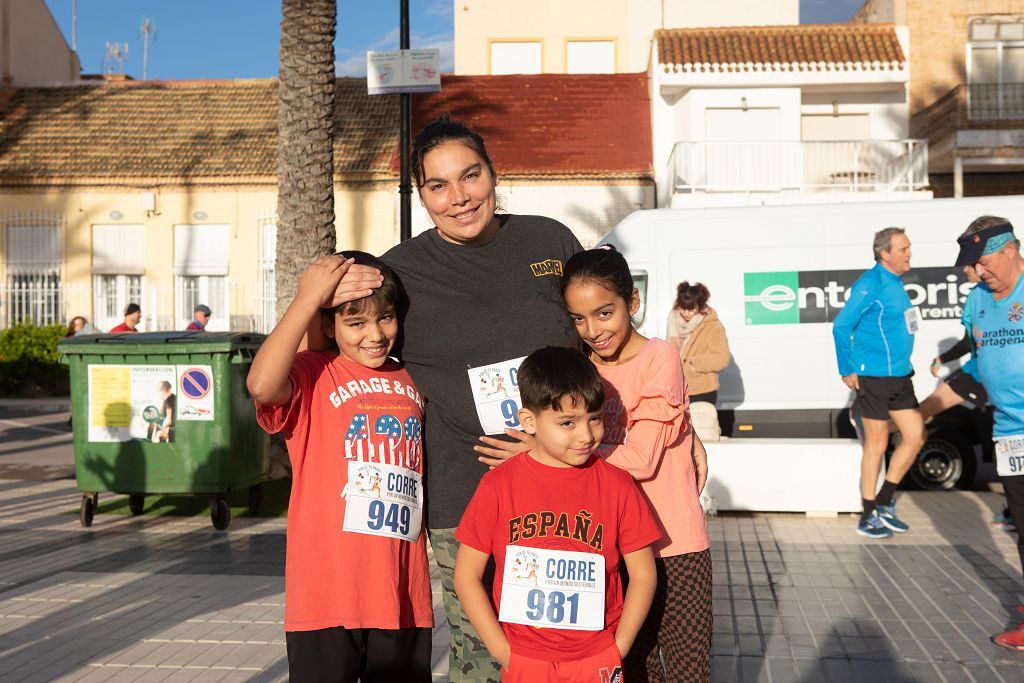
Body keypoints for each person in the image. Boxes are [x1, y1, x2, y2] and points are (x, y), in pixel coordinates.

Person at [360, 117, 583, 682]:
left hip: (562, 488)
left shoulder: (549, 240)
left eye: (471, 176)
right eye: (438, 186)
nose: (459, 198)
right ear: (422, 196)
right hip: (466, 501)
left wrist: (672, 420)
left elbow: (602, 342)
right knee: (484, 660)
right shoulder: (401, 271)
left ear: (492, 174)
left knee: (565, 650)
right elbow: (348, 346)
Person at [247, 251, 433, 681]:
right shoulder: (315, 372)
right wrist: (308, 297)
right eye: (356, 323)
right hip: (326, 598)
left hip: (400, 596)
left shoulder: (412, 378)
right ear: (329, 325)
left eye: (385, 318)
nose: (375, 334)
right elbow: (260, 384)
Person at [453, 346, 659, 682]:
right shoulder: (497, 486)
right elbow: (466, 576)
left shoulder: (618, 485)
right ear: (529, 421)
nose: (586, 435)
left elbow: (643, 574)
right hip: (524, 661)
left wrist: (617, 648)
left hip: (597, 658)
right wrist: (502, 651)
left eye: (594, 418)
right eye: (567, 422)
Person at [563, 246, 713, 682]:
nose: (593, 329)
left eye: (604, 313)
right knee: (630, 670)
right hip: (611, 548)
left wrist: (558, 451)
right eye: (579, 318)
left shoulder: (659, 357)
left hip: (673, 546)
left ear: (633, 303)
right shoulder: (583, 368)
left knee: (686, 672)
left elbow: (642, 460)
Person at [952, 216, 1024, 651]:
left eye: (984, 261)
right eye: (974, 265)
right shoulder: (976, 301)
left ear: (1011, 249)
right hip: (1010, 434)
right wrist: (926, 408)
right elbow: (979, 363)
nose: (979, 272)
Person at [831, 227, 926, 540]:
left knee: (915, 435)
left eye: (909, 247)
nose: (909, 253)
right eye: (903, 249)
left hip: (900, 376)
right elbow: (842, 326)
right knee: (876, 445)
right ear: (885, 253)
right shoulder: (870, 283)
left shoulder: (896, 282)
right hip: (873, 376)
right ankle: (867, 514)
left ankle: (884, 501)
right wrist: (847, 368)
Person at [665, 281, 730, 406]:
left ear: (700, 306)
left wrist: (694, 363)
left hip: (701, 390)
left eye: (691, 309)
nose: (686, 313)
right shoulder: (673, 321)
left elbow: (722, 357)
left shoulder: (713, 325)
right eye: (683, 308)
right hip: (676, 389)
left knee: (701, 426)